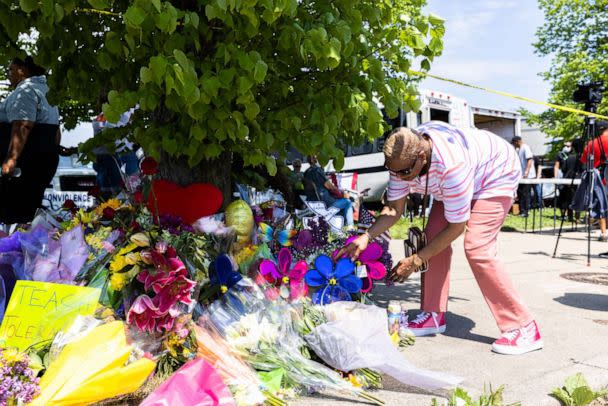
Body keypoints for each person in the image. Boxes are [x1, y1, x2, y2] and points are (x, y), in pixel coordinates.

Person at [337, 122, 542, 355]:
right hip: (460, 177)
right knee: (432, 238)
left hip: (495, 173)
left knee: (477, 248)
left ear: (422, 157)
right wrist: (366, 237)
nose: (400, 178)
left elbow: (456, 228)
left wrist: (416, 260)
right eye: (393, 172)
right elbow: (394, 209)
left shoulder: (452, 167)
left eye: (404, 173)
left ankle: (523, 327)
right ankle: (433, 314)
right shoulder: (402, 159)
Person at [0, 56, 60, 224]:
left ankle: (13, 248)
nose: (8, 74)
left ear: (23, 70)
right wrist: (55, 147)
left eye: (10, 69)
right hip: (43, 159)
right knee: (28, 212)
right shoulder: (47, 90)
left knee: (14, 214)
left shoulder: (25, 91)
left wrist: (11, 159)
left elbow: (23, 125)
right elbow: (56, 131)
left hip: (26, 163)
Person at [91, 107, 139, 198]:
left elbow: (102, 127)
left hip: (110, 155)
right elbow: (108, 130)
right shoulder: (121, 109)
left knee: (116, 192)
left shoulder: (105, 113)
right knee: (126, 191)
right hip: (119, 154)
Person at [303, 155, 354, 227]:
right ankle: (350, 227)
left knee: (341, 202)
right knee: (347, 202)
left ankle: (338, 225)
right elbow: (329, 186)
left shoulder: (306, 172)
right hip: (325, 203)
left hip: (313, 203)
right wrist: (343, 193)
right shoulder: (317, 170)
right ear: (314, 160)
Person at [579, 121, 608, 241]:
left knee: (601, 204)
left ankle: (603, 234)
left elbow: (584, 161)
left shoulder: (591, 143)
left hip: (599, 179)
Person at [554, 140, 582, 222]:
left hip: (568, 180)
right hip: (579, 181)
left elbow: (563, 169)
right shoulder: (582, 157)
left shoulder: (569, 158)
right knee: (578, 199)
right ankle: (577, 217)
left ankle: (570, 216)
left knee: (569, 199)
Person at [512, 136, 535, 217]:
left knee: (526, 194)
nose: (514, 146)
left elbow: (529, 160)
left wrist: (526, 172)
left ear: (517, 141)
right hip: (521, 176)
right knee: (520, 193)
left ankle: (525, 212)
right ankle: (521, 210)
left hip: (527, 176)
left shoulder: (525, 147)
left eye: (514, 144)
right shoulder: (519, 149)